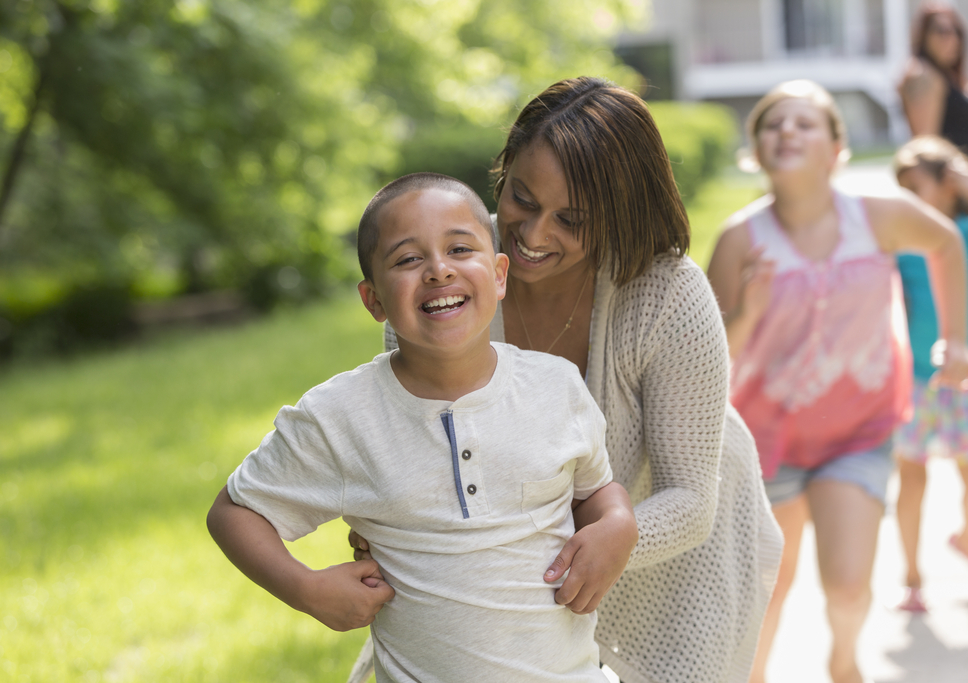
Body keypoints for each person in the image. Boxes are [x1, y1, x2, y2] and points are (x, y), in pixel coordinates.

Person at [351, 76, 784, 683]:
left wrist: (607, 536)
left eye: (570, 219)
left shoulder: (668, 293)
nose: (533, 235)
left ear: (619, 212)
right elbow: (419, 448)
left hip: (676, 542)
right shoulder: (443, 283)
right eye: (523, 200)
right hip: (523, 577)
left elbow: (692, 500)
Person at [207, 171, 638, 682]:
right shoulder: (340, 416)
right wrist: (306, 589)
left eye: (460, 249)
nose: (438, 271)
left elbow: (596, 490)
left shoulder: (556, 387)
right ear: (375, 301)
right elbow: (235, 513)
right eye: (408, 259)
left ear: (499, 274)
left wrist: (618, 523)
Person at [706, 80, 968, 683]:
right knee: (770, 588)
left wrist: (955, 337)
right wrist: (745, 313)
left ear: (836, 147)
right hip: (768, 443)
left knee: (848, 587)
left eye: (804, 123)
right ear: (757, 150)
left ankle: (844, 664)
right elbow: (711, 360)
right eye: (772, 124)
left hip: (860, 429)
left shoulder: (876, 217)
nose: (787, 132)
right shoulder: (741, 240)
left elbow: (947, 243)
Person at [891, 135, 968, 613]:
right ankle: (912, 580)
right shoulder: (900, 242)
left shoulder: (962, 228)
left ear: (946, 183)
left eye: (915, 186)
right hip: (915, 382)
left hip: (963, 379)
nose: (906, 198)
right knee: (911, 480)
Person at [898, 3, 968, 150]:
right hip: (947, 171)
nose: (952, 39)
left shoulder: (947, 76)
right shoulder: (922, 75)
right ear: (924, 35)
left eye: (957, 32)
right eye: (943, 31)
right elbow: (925, 147)